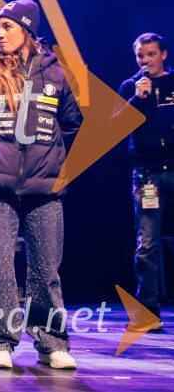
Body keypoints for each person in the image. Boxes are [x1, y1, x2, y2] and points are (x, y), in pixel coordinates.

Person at [0, 0, 82, 370]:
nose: (0, 33)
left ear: (28, 30)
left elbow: (71, 121)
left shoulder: (57, 72)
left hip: (45, 186)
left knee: (46, 267)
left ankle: (52, 343)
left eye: (7, 27)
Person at [115, 33, 173, 331]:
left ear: (163, 54)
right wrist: (138, 99)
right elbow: (115, 125)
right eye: (140, 56)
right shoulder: (130, 87)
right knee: (147, 244)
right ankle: (148, 312)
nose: (145, 61)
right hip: (147, 174)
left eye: (151, 54)